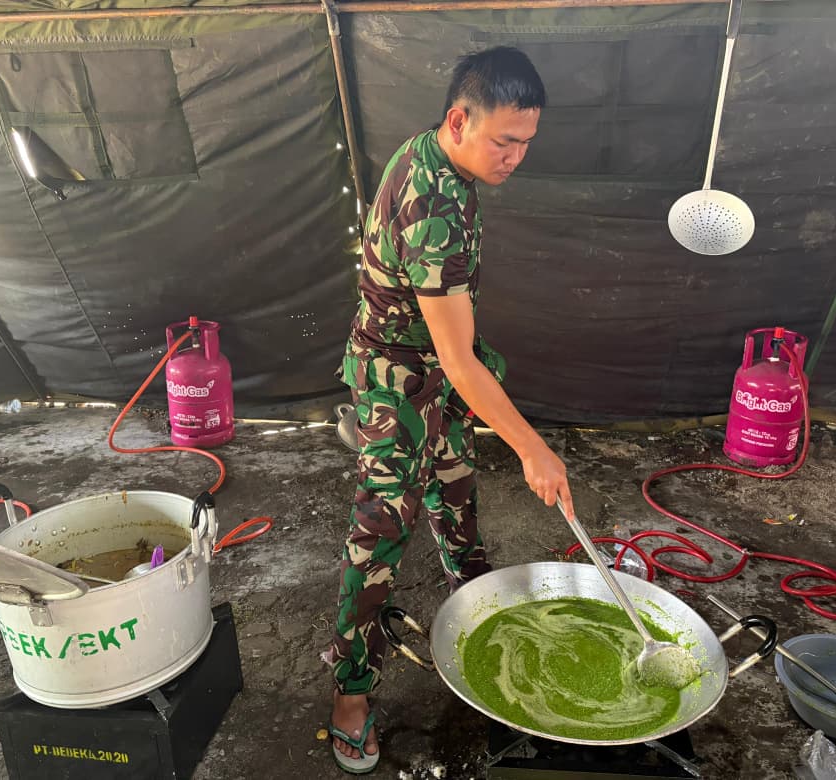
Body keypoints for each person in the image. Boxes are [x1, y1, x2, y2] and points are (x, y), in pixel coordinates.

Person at [325, 46, 574, 774]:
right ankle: (349, 690)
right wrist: (533, 447)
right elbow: (460, 362)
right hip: (393, 375)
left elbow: (456, 357)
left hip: (432, 362)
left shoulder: (443, 155)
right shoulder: (432, 205)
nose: (516, 158)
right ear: (459, 119)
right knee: (386, 519)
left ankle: (475, 598)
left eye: (527, 143)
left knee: (456, 489)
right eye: (505, 142)